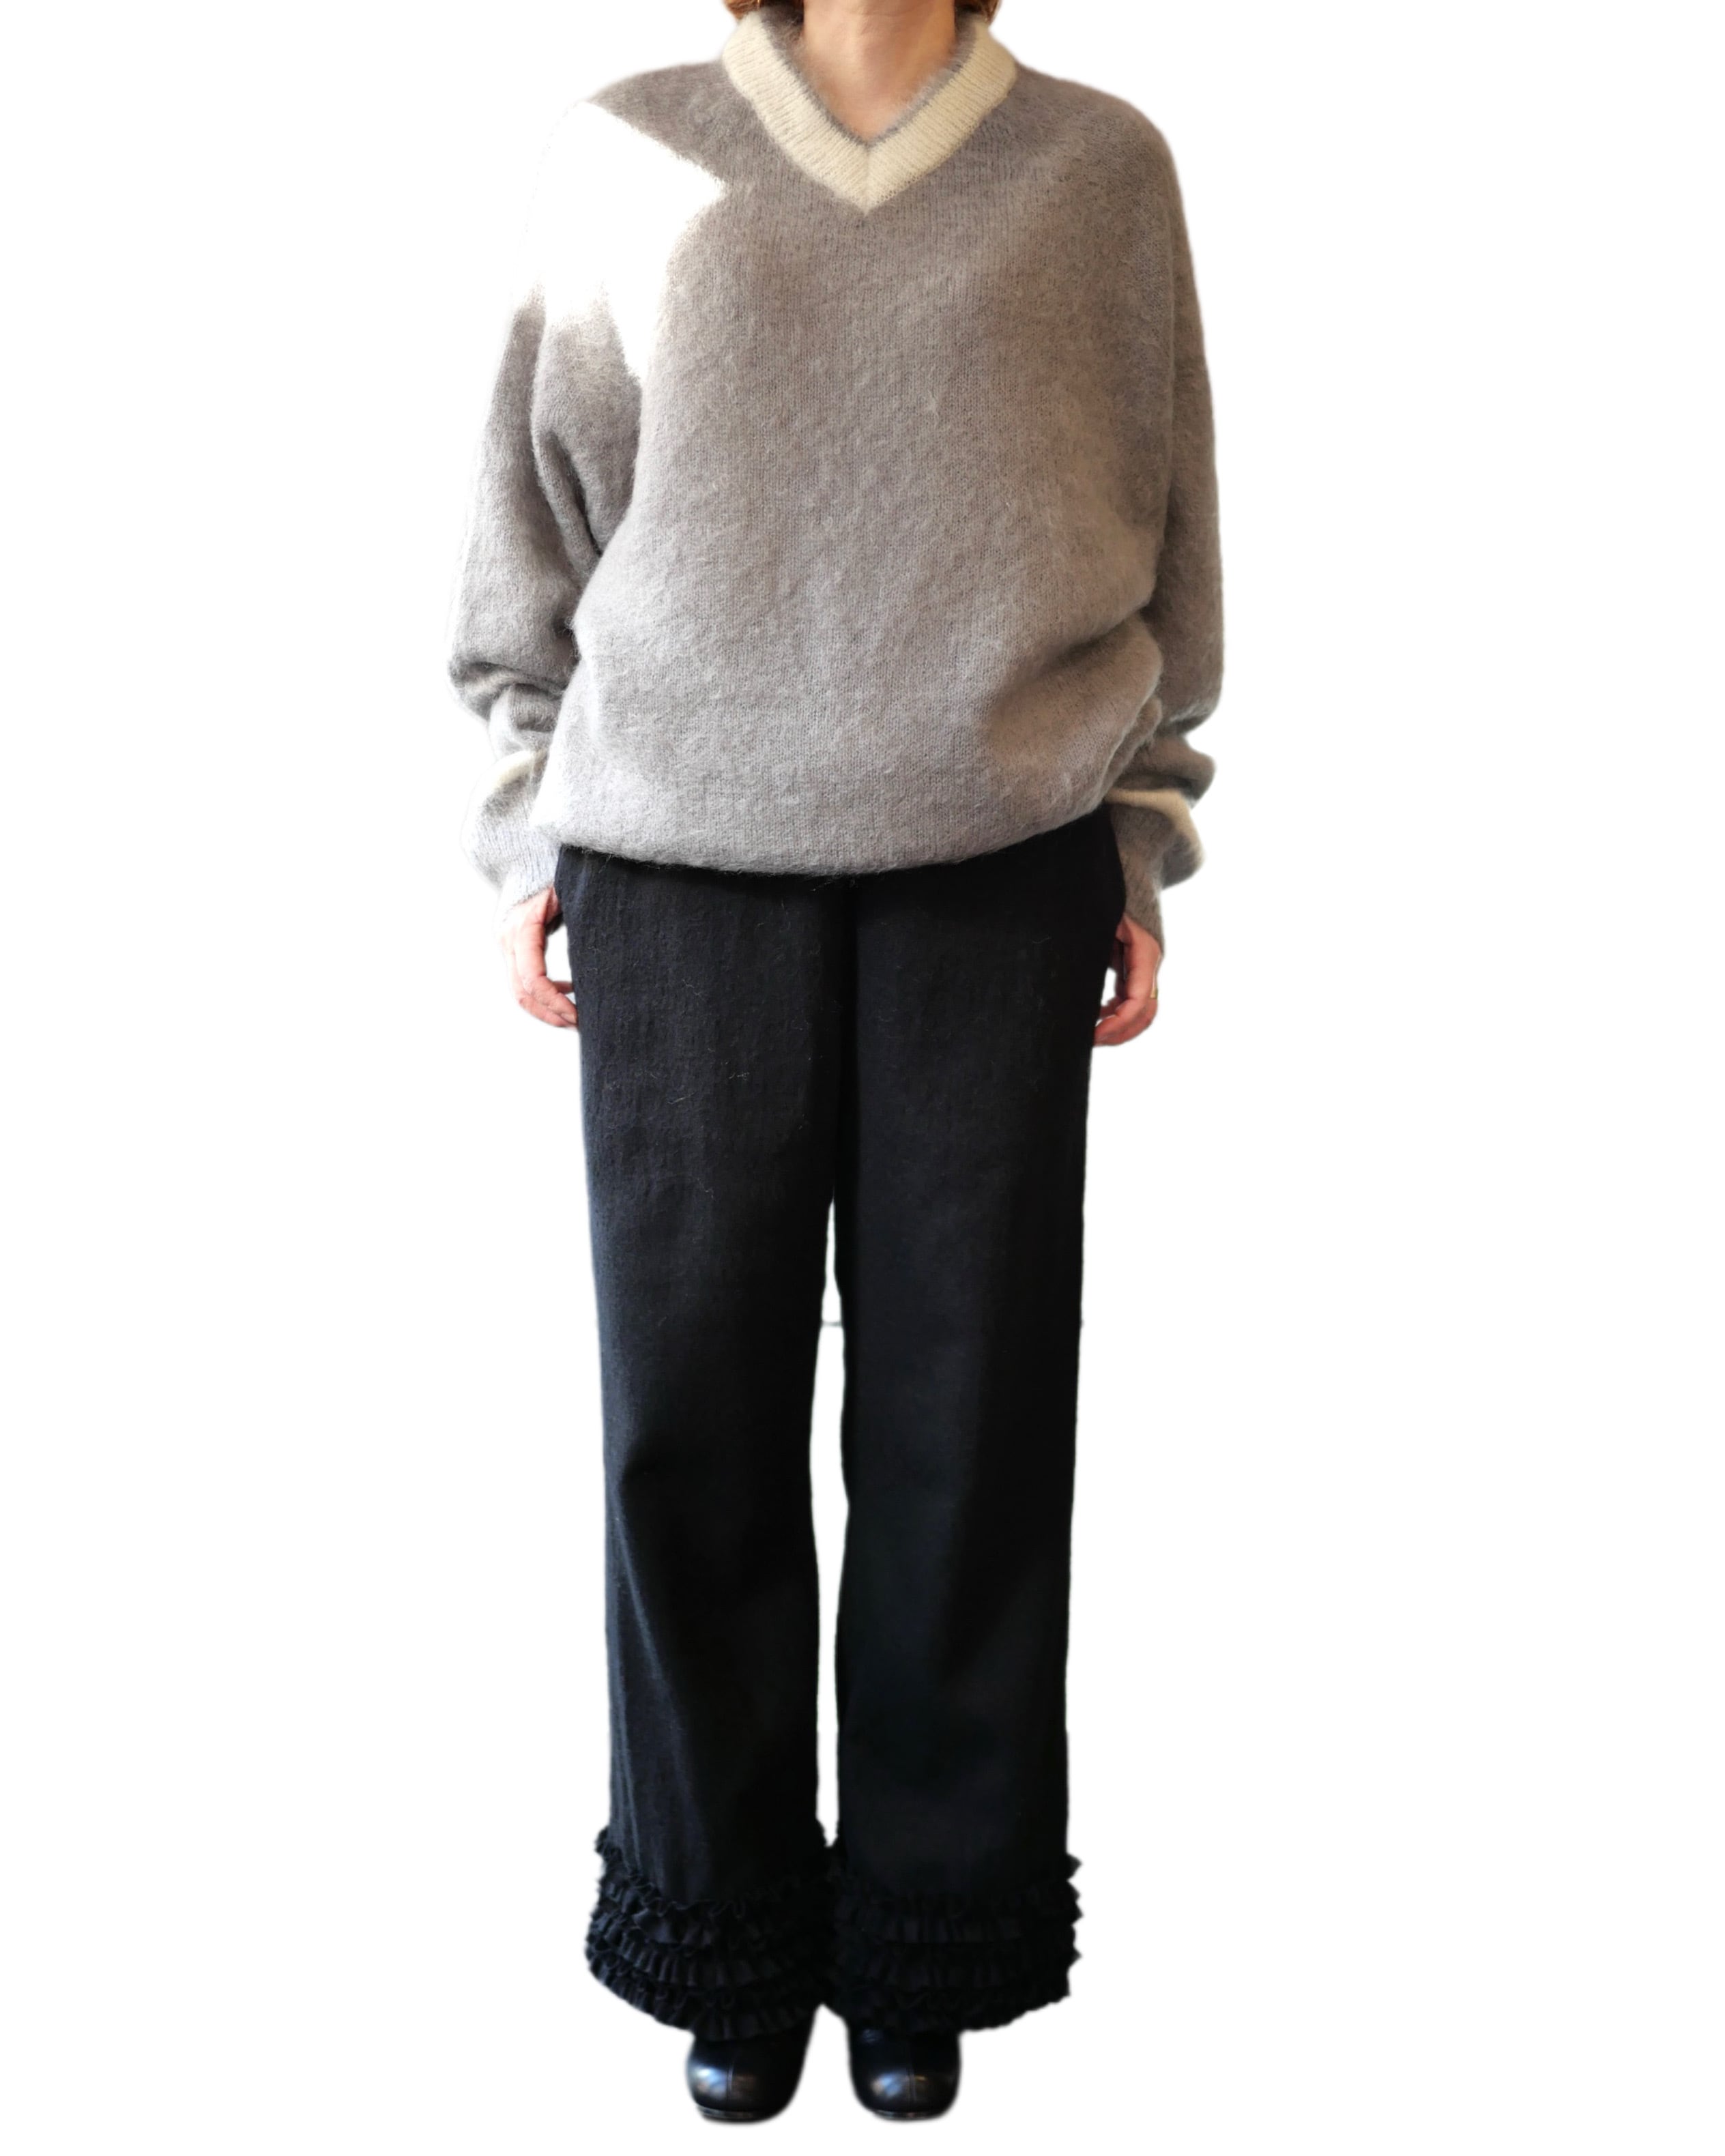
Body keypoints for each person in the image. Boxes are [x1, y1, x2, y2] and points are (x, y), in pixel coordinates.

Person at [447, 0, 1221, 2121]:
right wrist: (530, 822)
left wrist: (1136, 841)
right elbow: (533, 523)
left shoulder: (1099, 172)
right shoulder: (628, 144)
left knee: (971, 1422)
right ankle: (721, 1926)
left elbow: (1166, 536)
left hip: (1000, 871)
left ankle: (928, 1934)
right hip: (679, 872)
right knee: (688, 1421)